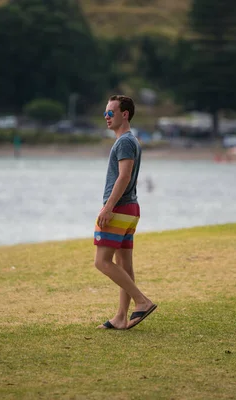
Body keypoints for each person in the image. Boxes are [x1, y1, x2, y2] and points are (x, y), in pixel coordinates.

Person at [94, 95, 157, 330]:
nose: (106, 117)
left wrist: (108, 207)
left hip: (120, 208)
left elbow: (124, 176)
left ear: (125, 114)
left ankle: (142, 301)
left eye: (111, 112)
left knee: (102, 262)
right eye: (105, 113)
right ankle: (121, 316)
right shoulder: (130, 141)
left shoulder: (125, 142)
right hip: (130, 208)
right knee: (124, 264)